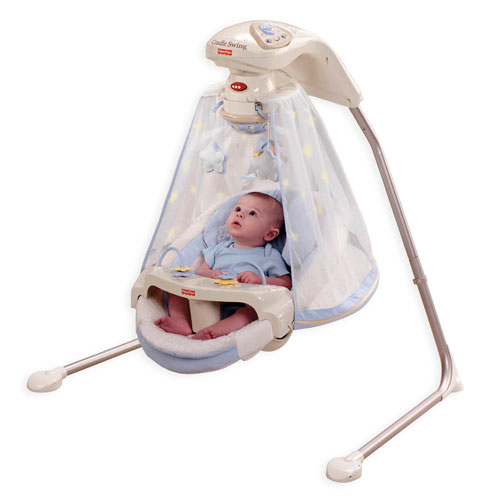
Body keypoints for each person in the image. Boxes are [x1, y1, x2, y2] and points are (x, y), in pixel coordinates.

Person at [155, 192, 292, 340]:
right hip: (206, 298)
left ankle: (216, 331)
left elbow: (286, 283)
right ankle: (182, 320)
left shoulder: (268, 255)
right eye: (238, 209)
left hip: (241, 303)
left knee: (251, 312)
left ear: (270, 234)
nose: (240, 214)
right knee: (177, 291)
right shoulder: (219, 248)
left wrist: (259, 279)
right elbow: (200, 271)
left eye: (252, 213)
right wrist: (210, 273)